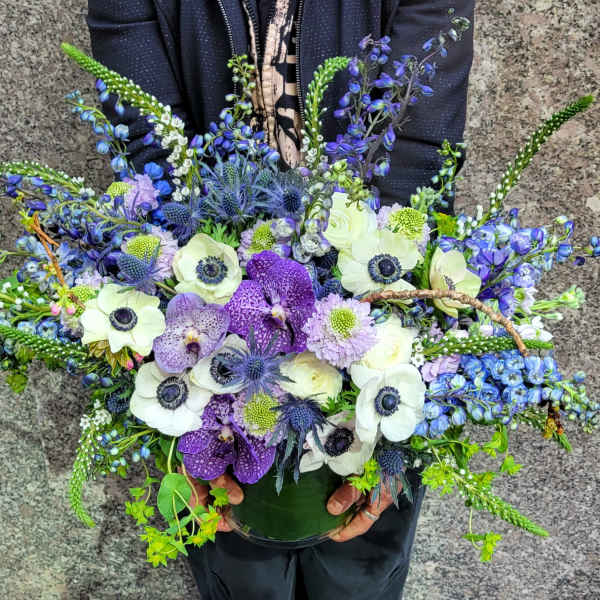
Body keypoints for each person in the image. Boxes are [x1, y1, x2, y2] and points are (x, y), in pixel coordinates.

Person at [86, 1, 475, 598]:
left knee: (359, 570)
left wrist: (393, 406)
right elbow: (149, 151)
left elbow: (418, 152)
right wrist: (181, 412)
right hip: (212, 334)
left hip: (372, 318)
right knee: (244, 572)